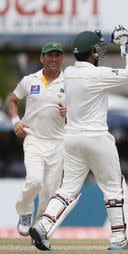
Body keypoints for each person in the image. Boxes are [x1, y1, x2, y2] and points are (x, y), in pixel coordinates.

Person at [29, 26, 128, 251]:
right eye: (97, 50)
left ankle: (42, 225)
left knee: (68, 189)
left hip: (71, 138)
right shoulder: (98, 75)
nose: (100, 53)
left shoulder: (69, 73)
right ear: (91, 52)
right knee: (113, 186)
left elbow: (87, 62)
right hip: (97, 137)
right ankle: (119, 237)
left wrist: (91, 44)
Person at [6, 42, 66, 237]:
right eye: (50, 55)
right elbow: (12, 100)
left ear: (61, 58)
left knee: (50, 191)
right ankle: (25, 211)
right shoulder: (29, 80)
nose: (53, 59)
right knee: (34, 181)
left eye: (57, 55)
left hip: (58, 143)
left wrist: (70, 112)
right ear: (42, 58)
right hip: (34, 139)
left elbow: (81, 111)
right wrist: (16, 121)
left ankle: (40, 228)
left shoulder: (69, 83)